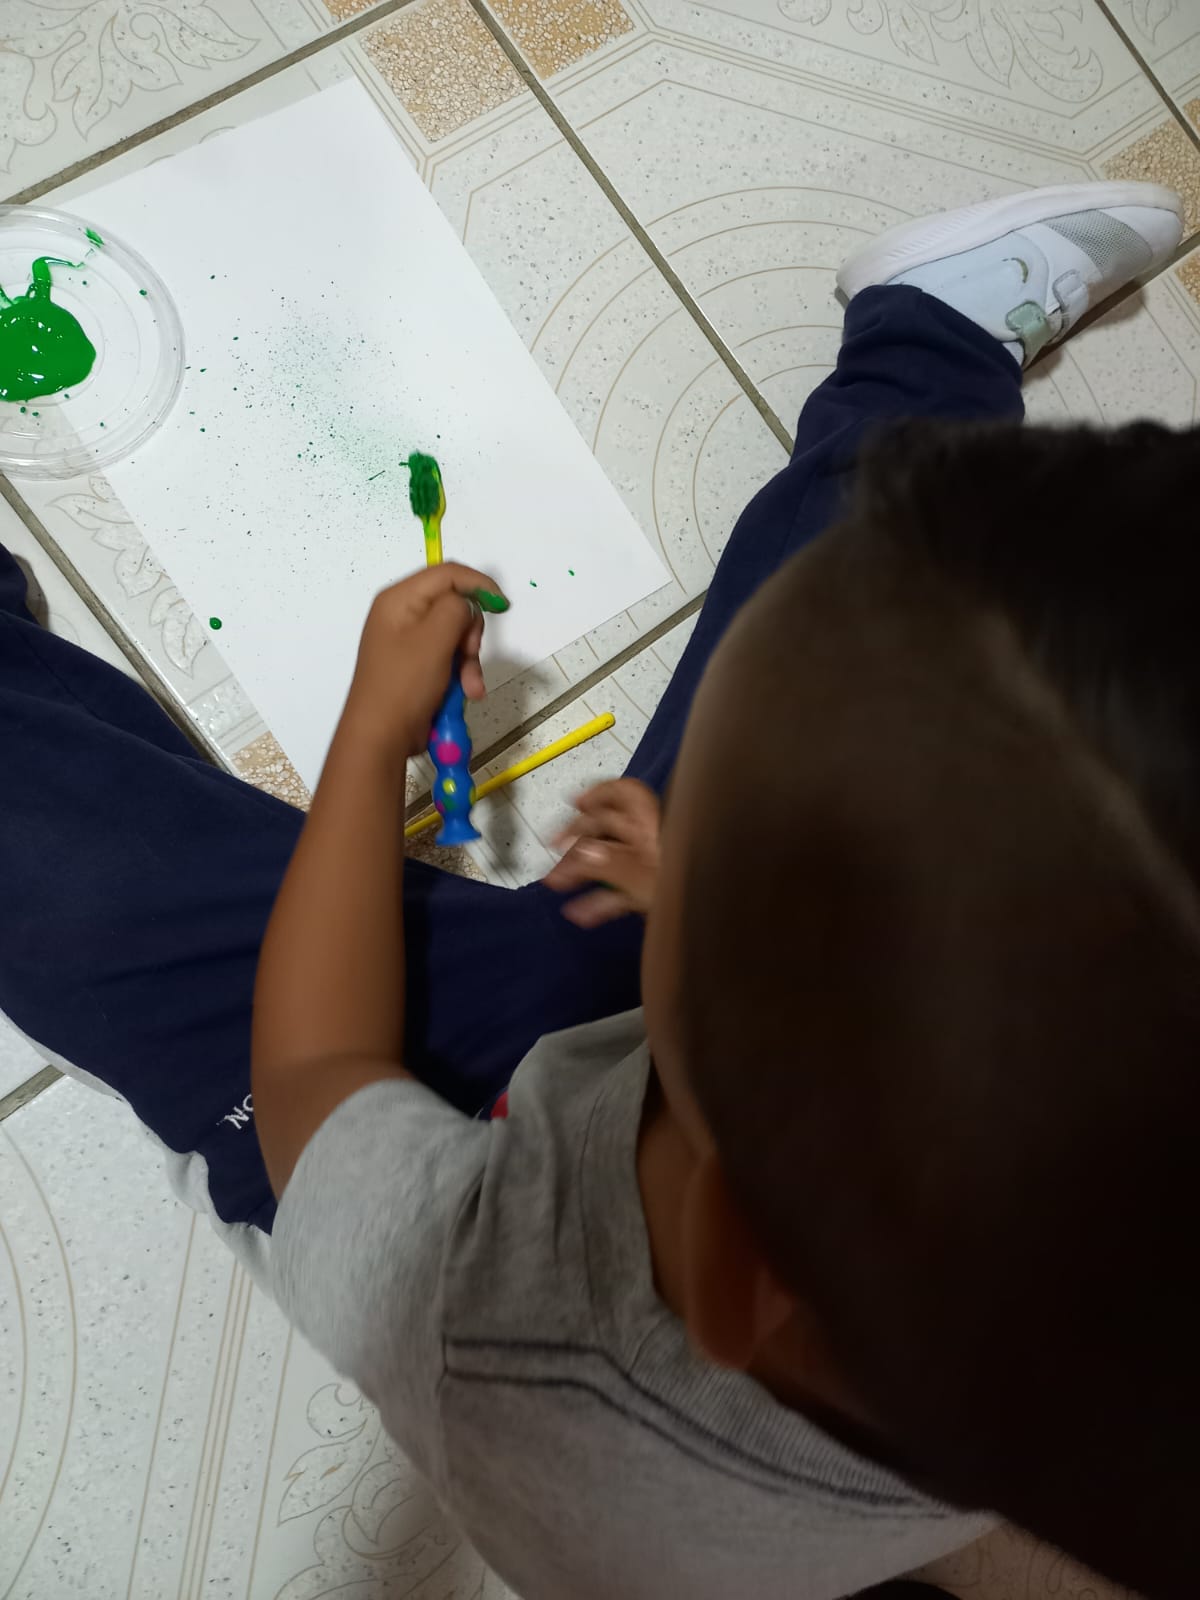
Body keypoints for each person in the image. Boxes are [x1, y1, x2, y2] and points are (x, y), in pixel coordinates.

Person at [1, 180, 1192, 1600]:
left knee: (74, 884)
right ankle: (930, 342)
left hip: (407, 1139)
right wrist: (701, 903)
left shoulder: (497, 1335)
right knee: (879, 578)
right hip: (682, 1096)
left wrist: (371, 740)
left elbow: (314, 1064)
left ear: (727, 1250)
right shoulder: (1061, 1336)